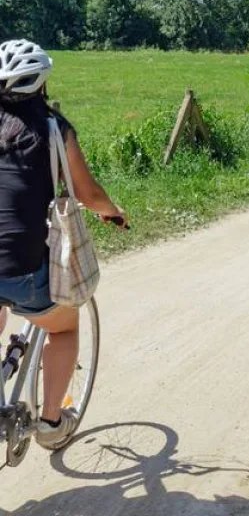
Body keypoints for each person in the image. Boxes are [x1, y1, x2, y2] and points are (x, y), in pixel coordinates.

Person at [0, 39, 127, 449]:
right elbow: (88, 195)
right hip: (21, 267)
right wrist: (113, 212)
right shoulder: (54, 129)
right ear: (42, 84)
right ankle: (52, 422)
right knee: (65, 328)